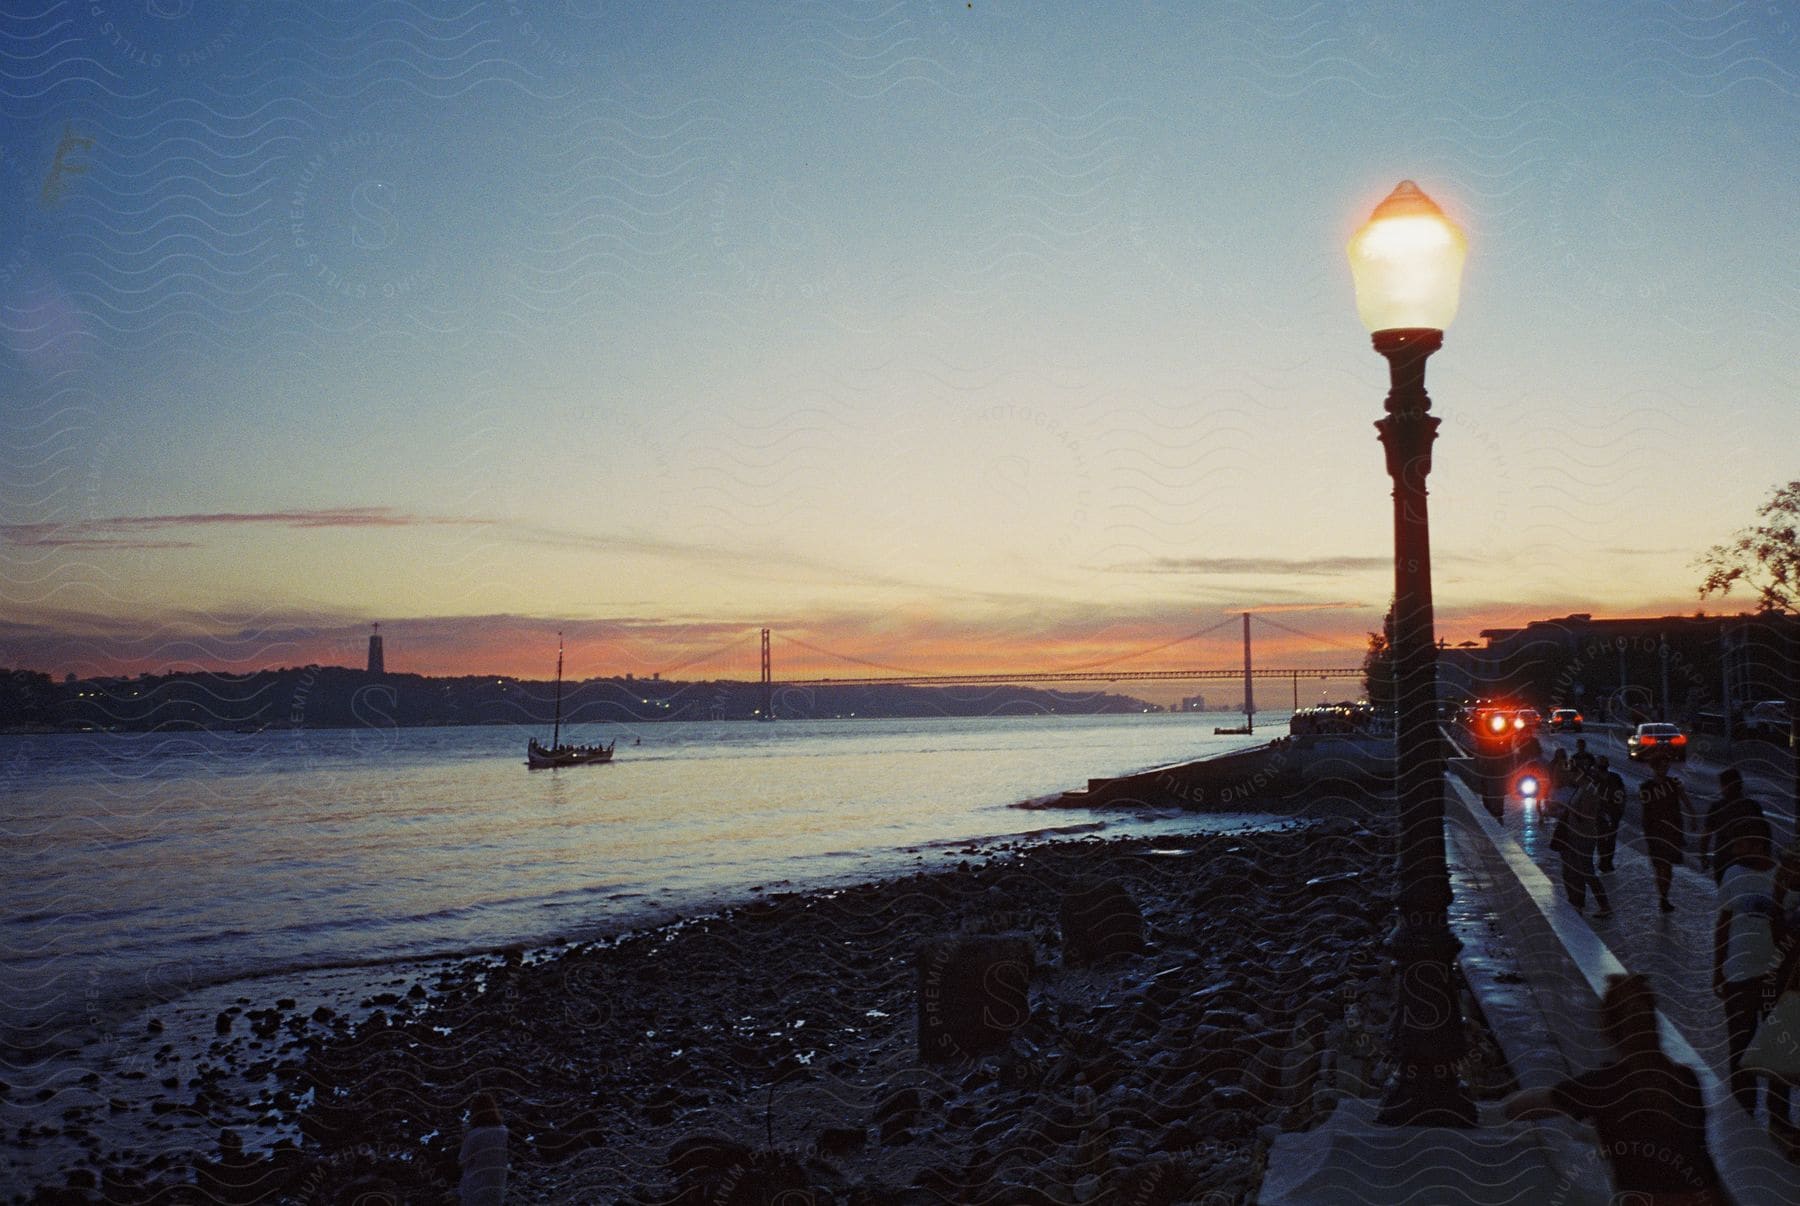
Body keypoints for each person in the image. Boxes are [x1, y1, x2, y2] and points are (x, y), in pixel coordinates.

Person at [1503, 973, 1730, 1204]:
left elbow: (1517, 1109)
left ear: (1607, 1030)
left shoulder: (1605, 1084)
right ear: (1654, 1025)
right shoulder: (1686, 1079)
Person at [1714, 818, 1780, 1114]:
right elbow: (1724, 922)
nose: (1736, 851)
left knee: (1777, 1049)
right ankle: (1744, 1111)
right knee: (1740, 1047)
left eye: (1742, 844)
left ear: (1759, 844)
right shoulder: (1732, 874)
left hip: (1776, 978)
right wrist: (1717, 967)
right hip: (1738, 974)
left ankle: (1778, 1113)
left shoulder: (1785, 877)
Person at [1555, 768, 1611, 918]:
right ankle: (1578, 904)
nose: (1570, 775)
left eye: (1573, 773)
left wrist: (1566, 808)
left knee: (1586, 871)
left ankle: (1604, 904)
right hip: (1575, 835)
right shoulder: (1581, 789)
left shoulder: (1588, 791)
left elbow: (1585, 815)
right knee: (1575, 870)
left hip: (1584, 836)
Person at [1640, 755, 1690, 912]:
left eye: (1666, 765)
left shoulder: (1673, 783)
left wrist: (1693, 815)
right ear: (1655, 767)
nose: (1665, 768)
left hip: (1672, 830)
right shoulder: (1647, 787)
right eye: (1662, 765)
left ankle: (1664, 895)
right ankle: (1662, 896)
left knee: (1667, 866)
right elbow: (1645, 811)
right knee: (1660, 866)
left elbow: (1684, 799)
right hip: (1655, 830)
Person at [1701, 767, 1767, 878]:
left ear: (1725, 786)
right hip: (1747, 858)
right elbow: (1763, 833)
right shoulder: (1752, 806)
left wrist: (1703, 855)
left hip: (1724, 858)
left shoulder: (1717, 807)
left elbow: (1706, 834)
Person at [460, 1092, 508, 1206]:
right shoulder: (504, 1131)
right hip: (498, 1184)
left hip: (476, 1187)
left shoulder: (474, 1134)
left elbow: (463, 1160)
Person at [1593, 755, 1628, 874]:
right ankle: (1605, 861)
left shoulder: (1613, 778)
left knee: (1608, 838)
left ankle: (1607, 861)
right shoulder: (1595, 779)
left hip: (1612, 811)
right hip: (1602, 812)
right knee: (1603, 838)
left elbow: (1622, 794)